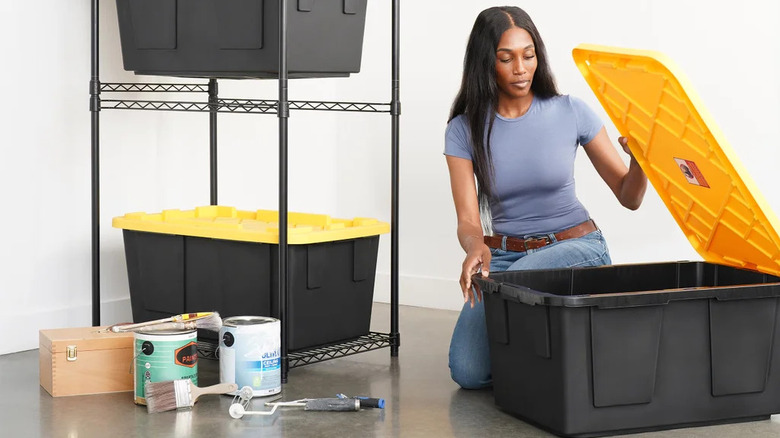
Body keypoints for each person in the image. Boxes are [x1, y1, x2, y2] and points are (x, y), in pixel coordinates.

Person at [444, 6, 648, 389]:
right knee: (467, 372)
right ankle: (550, 359)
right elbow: (469, 221)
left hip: (576, 247)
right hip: (504, 258)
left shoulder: (570, 110)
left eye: (529, 54)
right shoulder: (463, 130)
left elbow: (628, 195)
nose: (521, 68)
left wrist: (642, 162)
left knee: (516, 285)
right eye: (506, 59)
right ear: (486, 63)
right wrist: (475, 248)